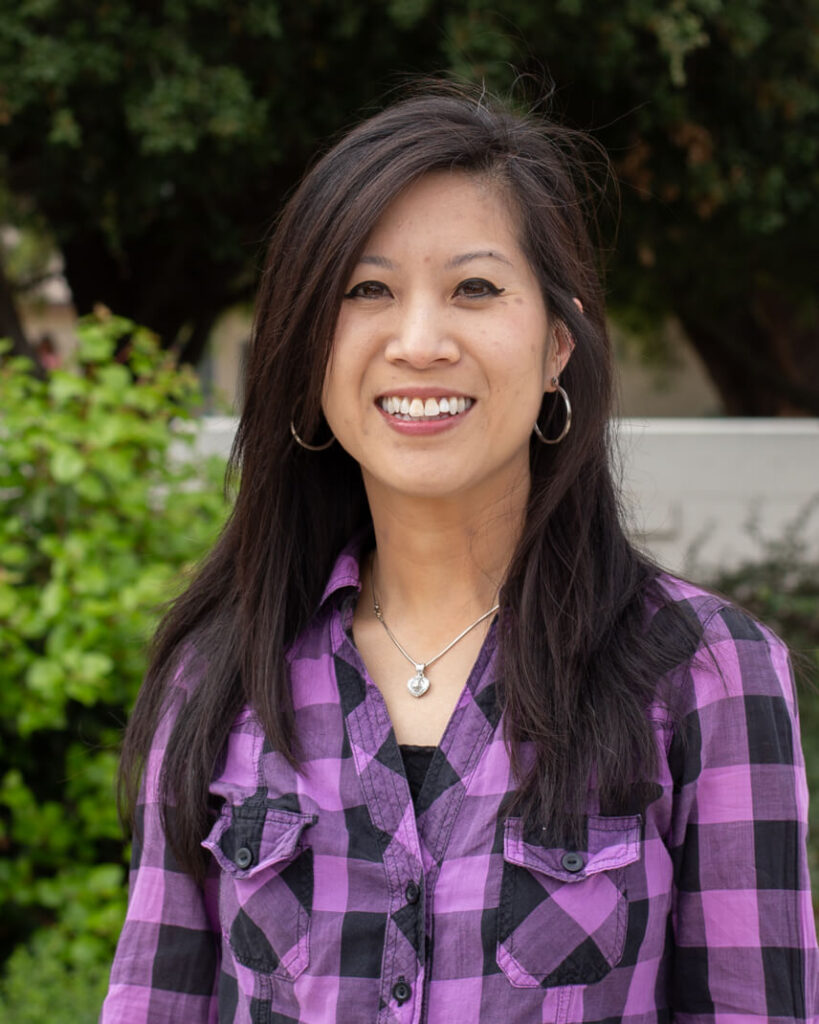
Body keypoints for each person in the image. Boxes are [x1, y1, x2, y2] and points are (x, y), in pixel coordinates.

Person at [100, 86, 818, 1023]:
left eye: (474, 289)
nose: (418, 342)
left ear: (559, 340)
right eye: (367, 291)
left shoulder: (705, 672)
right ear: (311, 351)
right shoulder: (221, 674)